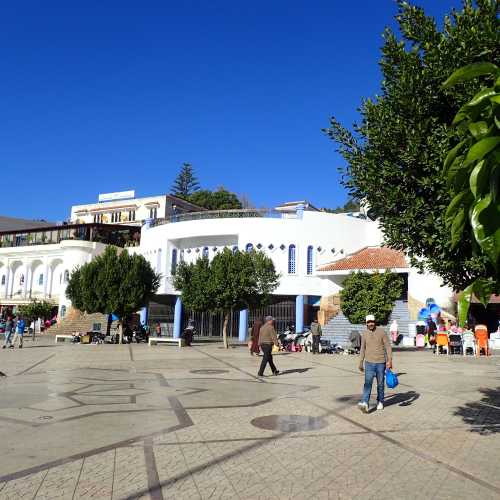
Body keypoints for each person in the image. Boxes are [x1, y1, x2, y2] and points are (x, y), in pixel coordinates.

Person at [358, 315, 393, 413]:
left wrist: (389, 360)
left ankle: (380, 401)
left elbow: (388, 347)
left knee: (380, 384)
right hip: (369, 362)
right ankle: (365, 402)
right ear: (366, 323)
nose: (370, 324)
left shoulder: (382, 332)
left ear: (375, 321)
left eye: (372, 322)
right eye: (368, 322)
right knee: (367, 383)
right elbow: (362, 348)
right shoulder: (364, 333)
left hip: (381, 362)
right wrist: (360, 362)